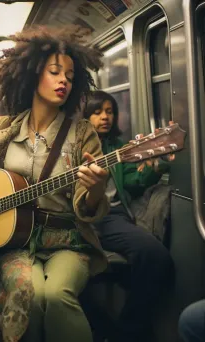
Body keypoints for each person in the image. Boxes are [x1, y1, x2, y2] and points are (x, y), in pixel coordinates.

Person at [0, 25, 110, 342]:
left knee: (55, 295)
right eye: (55, 72)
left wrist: (95, 189)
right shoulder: (3, 129)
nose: (64, 82)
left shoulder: (83, 134)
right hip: (13, 242)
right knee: (29, 291)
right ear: (31, 75)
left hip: (67, 241)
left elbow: (89, 207)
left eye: (70, 77)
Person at [84, 90, 174, 342]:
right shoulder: (71, 145)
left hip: (111, 217)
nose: (105, 117)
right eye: (97, 112)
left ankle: (128, 332)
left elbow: (134, 183)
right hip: (76, 218)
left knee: (156, 258)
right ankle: (106, 330)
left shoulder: (118, 148)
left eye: (109, 112)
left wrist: (158, 165)